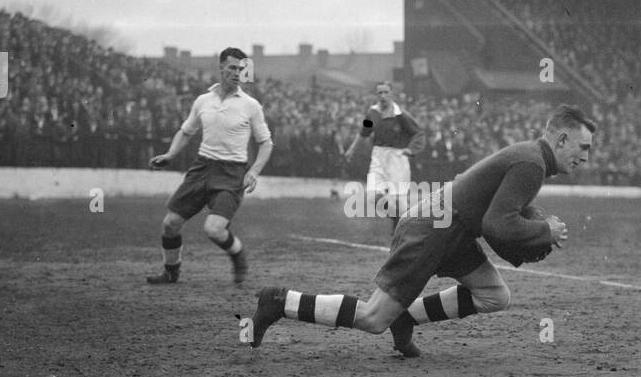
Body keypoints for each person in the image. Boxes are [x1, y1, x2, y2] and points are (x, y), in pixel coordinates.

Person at [250, 105, 596, 357]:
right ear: (563, 138)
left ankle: (406, 318)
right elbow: (497, 226)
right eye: (584, 148)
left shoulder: (532, 160)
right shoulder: (532, 164)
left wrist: (535, 231)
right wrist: (543, 232)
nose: (586, 157)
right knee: (372, 319)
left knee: (495, 295)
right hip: (433, 227)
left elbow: (498, 222)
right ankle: (280, 301)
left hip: (451, 227)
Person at [145, 48, 273, 285]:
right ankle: (171, 272)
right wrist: (170, 154)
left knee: (214, 230)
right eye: (233, 68)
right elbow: (186, 132)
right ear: (221, 68)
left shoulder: (250, 105)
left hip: (232, 173)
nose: (237, 73)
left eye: (241, 69)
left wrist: (253, 171)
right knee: (170, 224)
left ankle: (237, 254)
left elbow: (266, 142)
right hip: (202, 168)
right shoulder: (203, 101)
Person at [343, 81, 425, 232]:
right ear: (376, 95)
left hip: (397, 158)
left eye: (386, 92)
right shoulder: (372, 113)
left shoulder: (401, 115)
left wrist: (411, 150)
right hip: (378, 156)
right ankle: (397, 219)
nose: (383, 96)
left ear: (391, 94)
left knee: (400, 201)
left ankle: (406, 232)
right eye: (380, 93)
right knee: (373, 196)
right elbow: (364, 133)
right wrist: (352, 149)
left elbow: (418, 133)